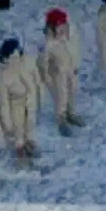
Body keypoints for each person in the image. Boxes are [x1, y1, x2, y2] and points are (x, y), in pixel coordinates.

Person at [0, 38, 42, 161]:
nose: (16, 61)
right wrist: (7, 121)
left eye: (17, 57)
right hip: (15, 103)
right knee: (18, 126)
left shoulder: (28, 62)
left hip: (30, 98)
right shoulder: (3, 76)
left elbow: (37, 82)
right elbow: (3, 101)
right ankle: (20, 148)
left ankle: (29, 141)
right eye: (13, 58)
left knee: (30, 122)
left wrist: (40, 97)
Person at [38, 8, 85, 136]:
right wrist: (47, 77)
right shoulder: (48, 44)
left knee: (72, 91)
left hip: (71, 70)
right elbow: (43, 63)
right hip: (58, 74)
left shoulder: (70, 34)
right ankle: (61, 119)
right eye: (59, 26)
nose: (62, 28)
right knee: (61, 96)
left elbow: (75, 49)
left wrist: (76, 64)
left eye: (63, 24)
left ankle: (71, 113)